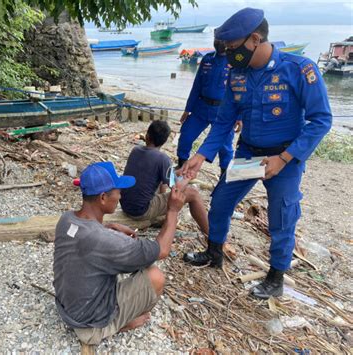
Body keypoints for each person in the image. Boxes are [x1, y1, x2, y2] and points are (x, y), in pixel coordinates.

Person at [181, 8, 332, 299]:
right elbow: (224, 120)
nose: (227, 54)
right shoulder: (237, 75)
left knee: (282, 216)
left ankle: (275, 277)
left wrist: (285, 158)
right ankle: (214, 253)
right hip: (249, 155)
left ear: (255, 39)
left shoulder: (299, 69)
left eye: (232, 48)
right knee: (221, 201)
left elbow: (321, 120)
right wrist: (201, 155)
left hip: (284, 159)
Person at [53, 161, 186, 345]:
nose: (121, 194)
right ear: (102, 198)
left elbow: (90, 238)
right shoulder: (105, 241)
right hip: (89, 325)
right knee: (155, 276)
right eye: (118, 190)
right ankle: (118, 323)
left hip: (67, 307)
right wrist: (172, 210)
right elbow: (162, 250)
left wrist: (109, 228)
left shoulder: (66, 219)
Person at [120, 120, 209, 235]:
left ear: (146, 137)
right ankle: (210, 235)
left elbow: (160, 174)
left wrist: (177, 173)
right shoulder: (162, 159)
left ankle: (160, 215)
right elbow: (176, 188)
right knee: (193, 193)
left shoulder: (136, 150)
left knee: (161, 180)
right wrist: (188, 177)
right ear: (164, 141)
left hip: (125, 205)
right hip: (140, 211)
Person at [177, 39, 240, 175]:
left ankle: (223, 176)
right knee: (186, 136)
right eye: (217, 39)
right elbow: (196, 86)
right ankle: (181, 168)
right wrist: (187, 110)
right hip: (201, 108)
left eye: (222, 39)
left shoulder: (235, 61)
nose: (219, 42)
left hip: (223, 112)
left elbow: (239, 91)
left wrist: (239, 116)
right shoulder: (208, 59)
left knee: (225, 147)